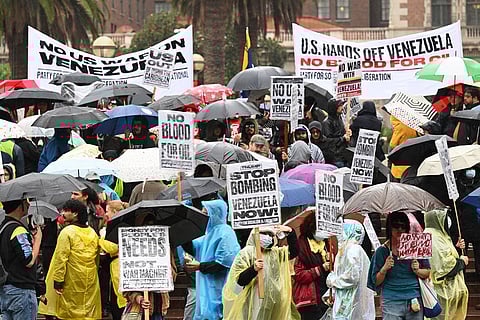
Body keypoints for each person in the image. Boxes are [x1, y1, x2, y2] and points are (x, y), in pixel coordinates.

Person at [38, 200, 102, 319]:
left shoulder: (67, 232)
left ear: (75, 213)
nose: (63, 213)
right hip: (90, 280)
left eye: (66, 211)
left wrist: (58, 281)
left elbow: (60, 258)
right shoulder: (92, 232)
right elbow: (96, 258)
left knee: (69, 313)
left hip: (71, 280)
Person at [223, 225, 300, 320]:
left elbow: (294, 251)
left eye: (271, 235)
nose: (268, 237)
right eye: (264, 234)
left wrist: (290, 232)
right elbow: (238, 283)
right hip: (253, 301)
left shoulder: (275, 253)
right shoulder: (245, 253)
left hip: (272, 302)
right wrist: (253, 269)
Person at [182, 199, 240, 320]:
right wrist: (183, 230)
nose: (204, 216)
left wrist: (200, 266)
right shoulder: (209, 233)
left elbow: (225, 263)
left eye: (206, 213)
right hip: (206, 287)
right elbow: (194, 247)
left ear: (215, 214)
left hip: (220, 286)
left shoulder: (226, 233)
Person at [368, 211, 431, 319]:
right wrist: (384, 269)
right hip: (391, 300)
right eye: (396, 226)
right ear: (389, 227)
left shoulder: (416, 247)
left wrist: (417, 270)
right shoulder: (382, 252)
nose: (400, 229)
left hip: (414, 298)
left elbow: (427, 272)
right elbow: (375, 281)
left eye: (403, 226)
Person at [0, 199, 42, 320]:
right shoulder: (18, 229)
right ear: (19, 206)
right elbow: (28, 261)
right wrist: (38, 239)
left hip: (5, 291)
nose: (29, 204)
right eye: (25, 202)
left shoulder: (3, 228)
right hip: (21, 292)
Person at [424, 208, 468, 320]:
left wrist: (456, 248)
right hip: (442, 292)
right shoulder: (434, 237)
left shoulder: (437, 235)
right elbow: (445, 267)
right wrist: (462, 261)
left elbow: (443, 256)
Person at [326, 220, 375, 320]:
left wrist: (333, 281)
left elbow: (352, 277)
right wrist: (332, 294)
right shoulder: (346, 250)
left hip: (351, 304)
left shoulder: (353, 250)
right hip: (346, 303)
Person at [293, 211, 330, 320]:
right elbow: (299, 275)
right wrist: (320, 269)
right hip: (310, 300)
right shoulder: (301, 246)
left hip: (325, 295)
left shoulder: (326, 244)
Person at [99, 202, 130, 320]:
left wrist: (101, 238)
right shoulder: (113, 226)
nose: (106, 214)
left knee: (120, 304)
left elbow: (113, 247)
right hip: (114, 269)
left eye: (107, 211)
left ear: (115, 212)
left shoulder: (120, 226)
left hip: (120, 268)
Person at [322, 98, 351, 167]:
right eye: (340, 105)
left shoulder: (340, 119)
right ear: (334, 107)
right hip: (335, 158)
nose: (342, 107)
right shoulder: (327, 123)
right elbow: (328, 141)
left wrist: (347, 133)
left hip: (343, 156)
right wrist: (343, 138)